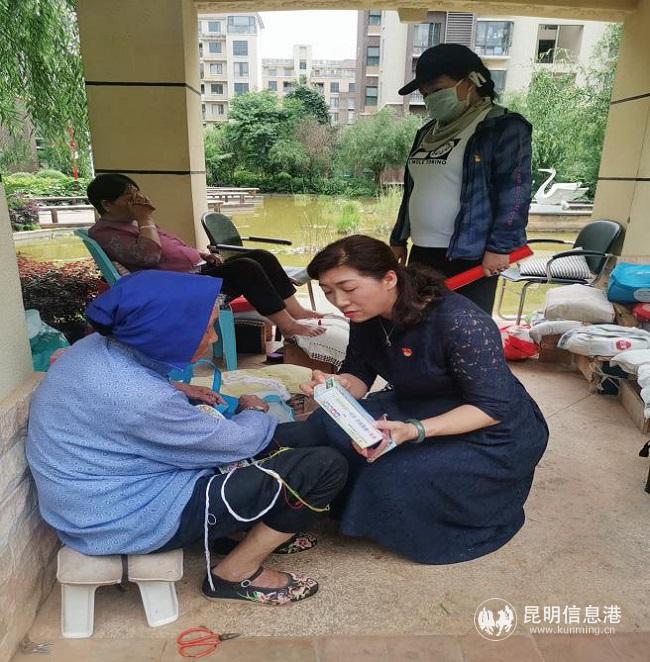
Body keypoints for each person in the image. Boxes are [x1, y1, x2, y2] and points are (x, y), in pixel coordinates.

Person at [26, 270, 348, 605]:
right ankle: (234, 573)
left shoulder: (94, 348)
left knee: (306, 434)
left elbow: (123, 392)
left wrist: (177, 387)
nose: (213, 337)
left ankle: (243, 531)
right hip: (125, 521)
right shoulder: (141, 399)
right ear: (169, 333)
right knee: (323, 466)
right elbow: (236, 442)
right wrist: (254, 409)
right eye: (207, 328)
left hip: (96, 503)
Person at [274, 235, 549, 565]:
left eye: (348, 288)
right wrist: (336, 387)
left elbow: (492, 406)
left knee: (393, 472)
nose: (340, 301)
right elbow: (359, 374)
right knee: (325, 424)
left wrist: (414, 430)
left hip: (491, 428)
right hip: (419, 402)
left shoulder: (461, 322)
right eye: (329, 291)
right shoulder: (364, 315)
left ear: (389, 279)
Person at [87, 173, 324, 338]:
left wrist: (201, 254)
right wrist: (145, 218)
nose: (138, 203)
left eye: (138, 196)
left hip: (193, 276)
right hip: (176, 291)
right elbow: (149, 257)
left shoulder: (132, 223)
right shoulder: (106, 233)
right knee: (246, 268)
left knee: (261, 256)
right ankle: (288, 326)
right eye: (130, 199)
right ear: (107, 204)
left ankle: (297, 312)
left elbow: (170, 246)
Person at [390, 43, 532, 314]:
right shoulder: (426, 132)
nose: (431, 98)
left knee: (465, 327)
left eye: (437, 89)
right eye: (425, 94)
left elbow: (515, 191)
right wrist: (398, 239)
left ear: (471, 81)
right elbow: (412, 191)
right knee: (418, 323)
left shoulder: (502, 127)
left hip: (471, 255)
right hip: (422, 251)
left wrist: (500, 247)